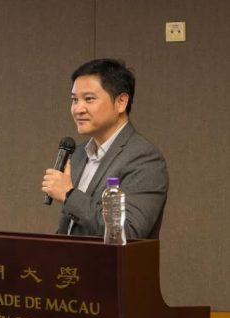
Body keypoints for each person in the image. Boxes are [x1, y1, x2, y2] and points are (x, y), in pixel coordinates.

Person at [41, 58, 168, 238]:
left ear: (121, 102)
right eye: (74, 99)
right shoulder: (78, 154)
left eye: (89, 99)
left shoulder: (144, 158)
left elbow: (128, 231)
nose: (78, 109)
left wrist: (69, 195)